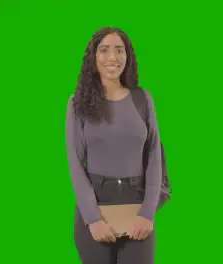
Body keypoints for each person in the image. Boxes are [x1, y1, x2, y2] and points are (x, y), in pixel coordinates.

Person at [65, 27, 167, 264]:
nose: (113, 57)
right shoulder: (77, 103)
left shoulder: (142, 99)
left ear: (127, 56)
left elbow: (153, 156)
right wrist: (93, 219)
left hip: (137, 211)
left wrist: (147, 213)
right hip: (96, 210)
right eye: (104, 50)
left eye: (119, 50)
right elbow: (75, 163)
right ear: (93, 57)